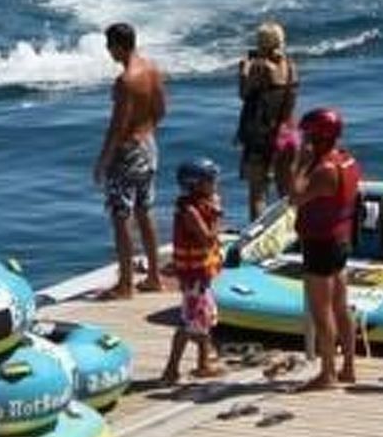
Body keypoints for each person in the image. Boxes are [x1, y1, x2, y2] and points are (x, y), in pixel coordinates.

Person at [287, 107, 361, 391]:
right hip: (340, 239)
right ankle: (348, 366)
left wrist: (298, 162)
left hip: (320, 243)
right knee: (341, 306)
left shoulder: (323, 170)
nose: (304, 139)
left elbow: (295, 196)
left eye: (308, 135)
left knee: (322, 311)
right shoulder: (347, 160)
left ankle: (327, 372)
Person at [92, 23, 168, 297]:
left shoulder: (125, 81)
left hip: (128, 151)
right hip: (149, 146)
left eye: (109, 45)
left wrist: (103, 160)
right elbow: (161, 110)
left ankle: (126, 283)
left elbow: (118, 125)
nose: (108, 51)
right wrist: (145, 130)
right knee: (145, 210)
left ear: (118, 46)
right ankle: (154, 277)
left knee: (121, 216)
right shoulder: (152, 69)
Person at [161, 159, 226, 384]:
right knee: (191, 322)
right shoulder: (189, 211)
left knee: (203, 318)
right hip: (193, 276)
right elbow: (207, 238)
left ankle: (203, 363)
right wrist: (216, 215)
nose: (215, 184)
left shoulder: (201, 204)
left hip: (201, 275)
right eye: (210, 180)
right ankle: (171, 369)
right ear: (196, 184)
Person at [234, 22, 300, 221]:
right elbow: (290, 101)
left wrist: (243, 71)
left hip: (261, 135)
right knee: (285, 191)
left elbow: (244, 94)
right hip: (287, 132)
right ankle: (292, 229)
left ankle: (258, 234)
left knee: (258, 193)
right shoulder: (290, 65)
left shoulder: (259, 67)